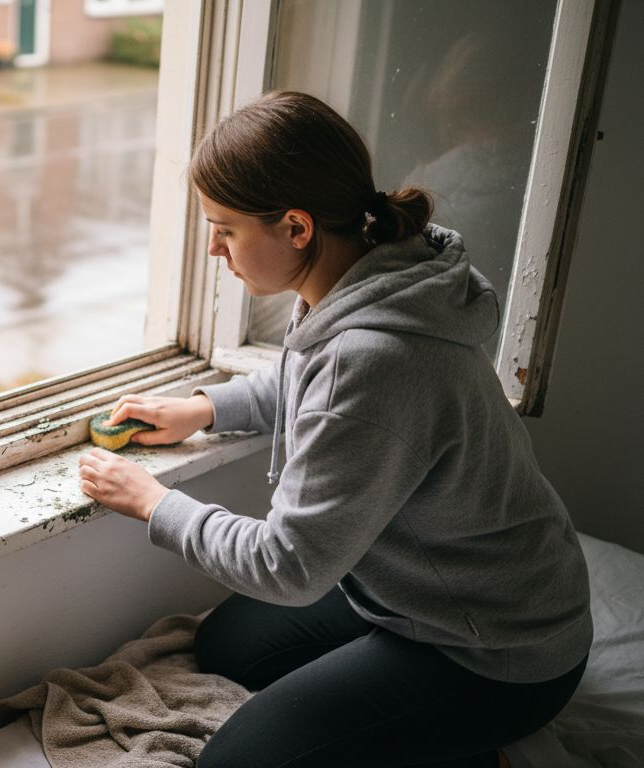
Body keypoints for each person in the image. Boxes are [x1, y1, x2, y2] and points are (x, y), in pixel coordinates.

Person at [77, 91, 591, 768]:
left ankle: (471, 750)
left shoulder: (375, 359)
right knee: (228, 647)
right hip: (428, 592)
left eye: (225, 229)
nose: (212, 249)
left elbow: (287, 566)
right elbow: (313, 381)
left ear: (295, 227)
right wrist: (205, 408)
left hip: (494, 648)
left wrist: (154, 502)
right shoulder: (380, 273)